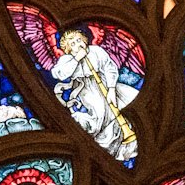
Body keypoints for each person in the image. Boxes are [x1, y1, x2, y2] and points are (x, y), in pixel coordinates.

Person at [50, 27, 138, 162]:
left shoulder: (95, 51)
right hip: (88, 91)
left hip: (107, 84)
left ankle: (133, 142)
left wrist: (111, 88)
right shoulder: (66, 60)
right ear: (68, 48)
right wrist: (76, 59)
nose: (78, 44)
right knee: (102, 114)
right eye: (73, 43)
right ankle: (115, 150)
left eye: (79, 40)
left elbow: (109, 67)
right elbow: (58, 73)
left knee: (127, 99)